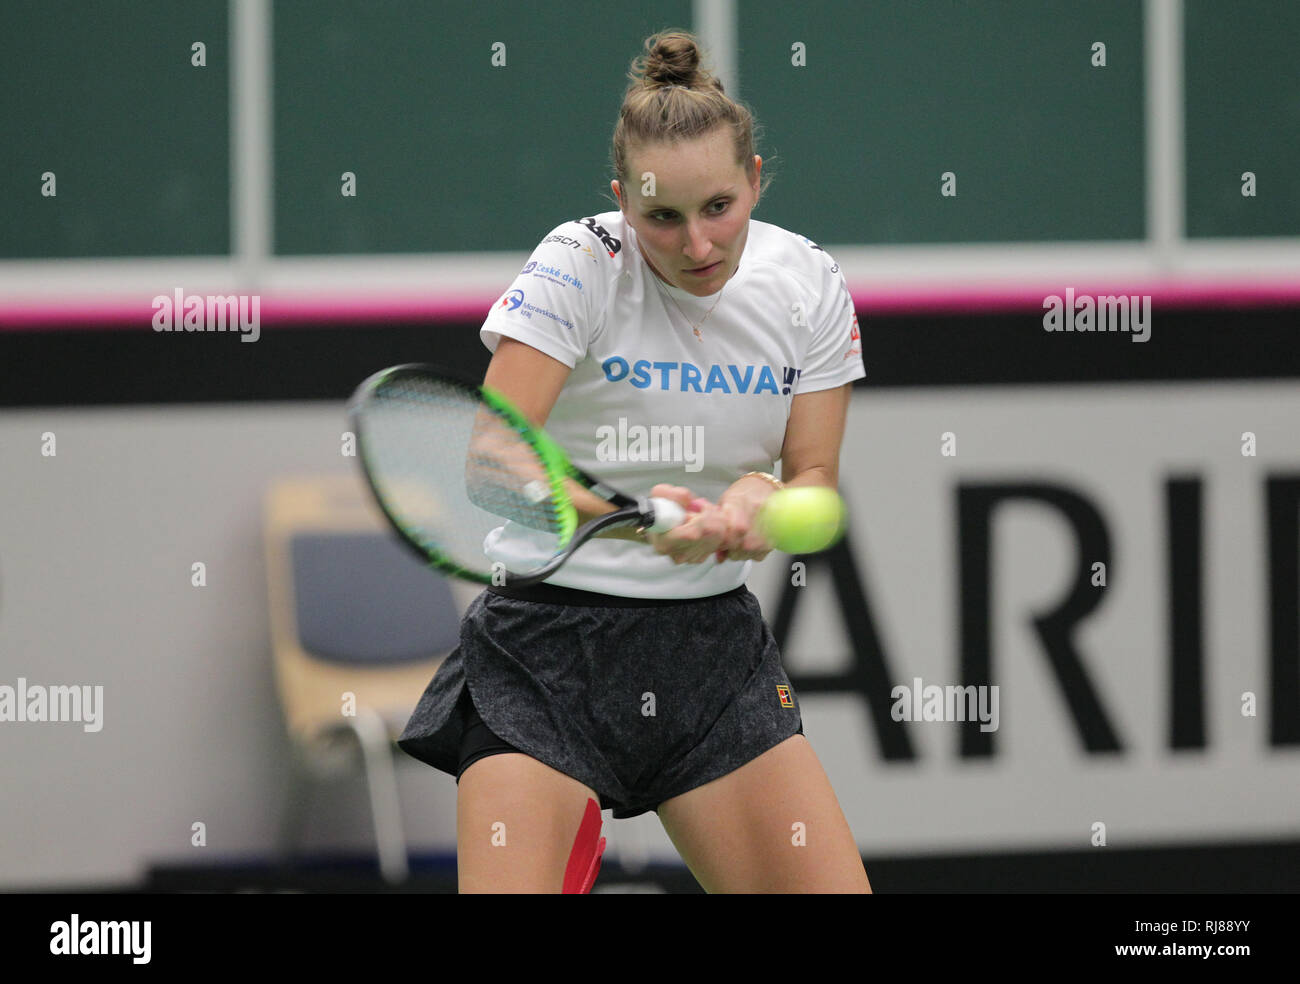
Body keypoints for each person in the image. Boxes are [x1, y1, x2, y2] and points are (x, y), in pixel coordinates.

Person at [397, 28, 870, 894]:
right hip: (544, 653)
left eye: (720, 206)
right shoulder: (578, 264)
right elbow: (492, 459)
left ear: (756, 178)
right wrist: (639, 520)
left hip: (712, 659)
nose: (697, 244)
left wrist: (755, 509)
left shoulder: (808, 283)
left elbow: (817, 485)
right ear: (623, 200)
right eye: (663, 216)